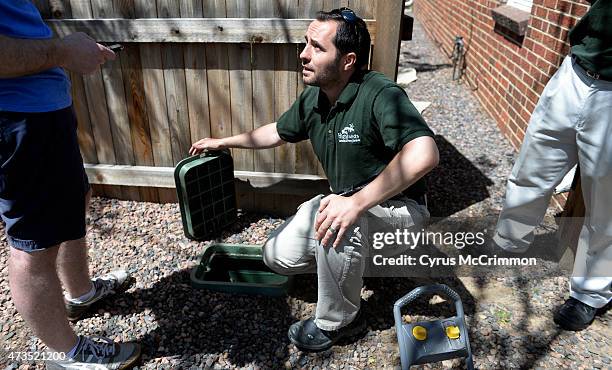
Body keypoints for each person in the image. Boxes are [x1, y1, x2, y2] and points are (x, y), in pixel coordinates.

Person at [190, 8, 439, 352]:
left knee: (339, 221)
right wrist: (223, 142)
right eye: (306, 43)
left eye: (317, 48)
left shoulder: (380, 94)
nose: (303, 54)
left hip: (401, 211)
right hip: (351, 205)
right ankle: (348, 267)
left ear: (348, 60)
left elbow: (424, 153)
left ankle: (340, 322)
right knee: (276, 256)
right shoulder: (315, 98)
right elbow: (276, 132)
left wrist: (355, 204)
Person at [0, 1, 141, 368]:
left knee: (76, 200)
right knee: (34, 244)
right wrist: (63, 50)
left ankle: (81, 294)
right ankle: (68, 354)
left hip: (42, 112)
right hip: (16, 120)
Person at [493, 0, 611, 331]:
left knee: (606, 205)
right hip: (575, 70)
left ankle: (590, 294)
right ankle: (508, 243)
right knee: (531, 171)